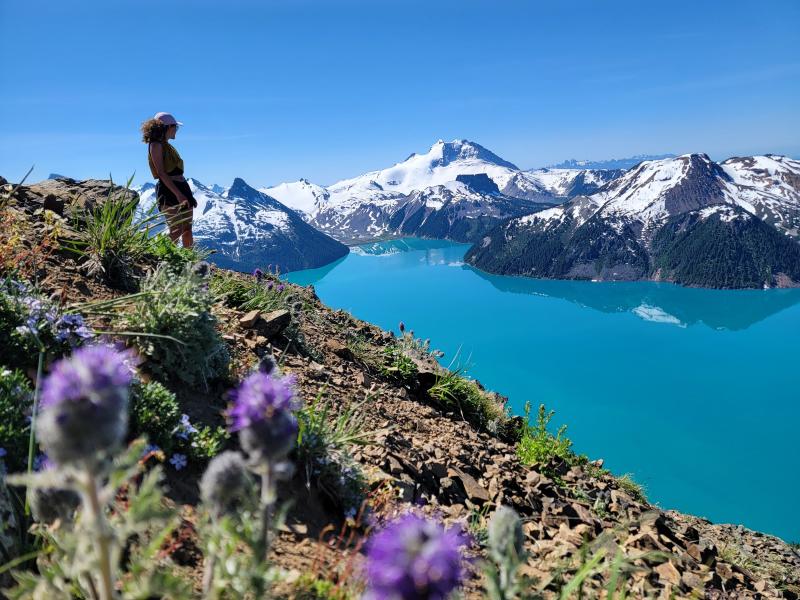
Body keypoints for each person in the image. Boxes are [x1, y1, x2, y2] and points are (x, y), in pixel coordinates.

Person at [140, 112, 197, 247]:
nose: (176, 130)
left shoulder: (166, 145)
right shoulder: (156, 145)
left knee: (187, 230)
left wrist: (184, 193)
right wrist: (179, 194)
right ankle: (162, 256)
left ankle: (188, 262)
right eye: (175, 127)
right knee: (176, 230)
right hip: (169, 189)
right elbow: (161, 172)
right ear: (166, 127)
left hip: (181, 186)